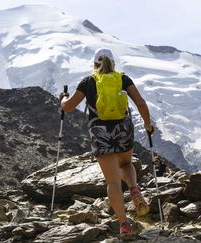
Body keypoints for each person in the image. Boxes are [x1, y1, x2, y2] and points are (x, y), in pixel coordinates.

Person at [59, 48, 154, 237]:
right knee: (126, 163)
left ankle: (124, 224)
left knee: (112, 181)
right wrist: (148, 125)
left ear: (94, 64)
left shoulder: (88, 81)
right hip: (123, 128)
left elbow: (69, 107)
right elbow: (141, 103)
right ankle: (134, 189)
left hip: (100, 132)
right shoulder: (122, 79)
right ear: (113, 63)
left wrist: (63, 100)